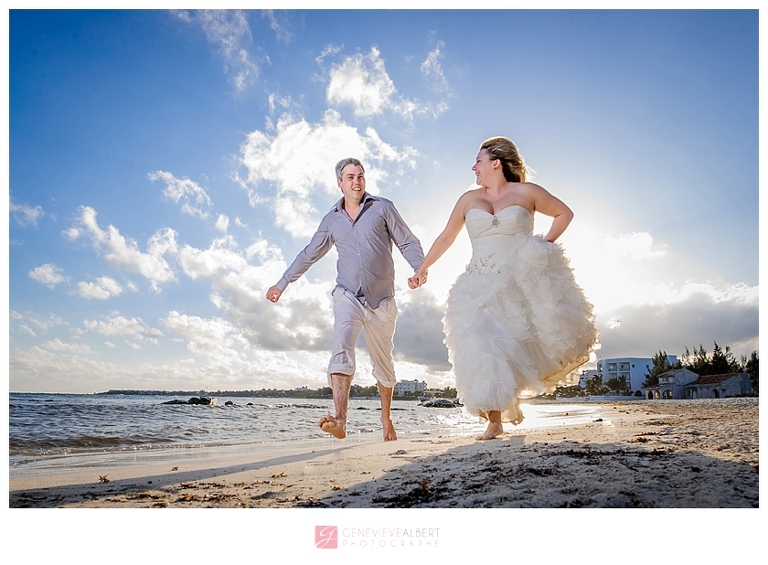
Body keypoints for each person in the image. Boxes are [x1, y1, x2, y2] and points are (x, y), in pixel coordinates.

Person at [409, 136, 598, 440]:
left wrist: (542, 246)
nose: (474, 167)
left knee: (510, 346)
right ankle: (494, 419)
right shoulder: (468, 200)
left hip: (516, 279)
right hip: (476, 283)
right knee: (481, 344)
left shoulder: (527, 192)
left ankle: (506, 405)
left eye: (479, 161)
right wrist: (422, 268)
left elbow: (565, 213)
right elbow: (446, 237)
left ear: (495, 163)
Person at [266, 158, 425, 441]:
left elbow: (407, 241)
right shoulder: (332, 221)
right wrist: (282, 283)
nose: (356, 181)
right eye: (350, 177)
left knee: (384, 363)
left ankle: (386, 418)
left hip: (382, 300)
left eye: (360, 176)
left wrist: (419, 269)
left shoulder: (382, 208)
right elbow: (309, 254)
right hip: (347, 295)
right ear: (340, 183)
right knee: (341, 346)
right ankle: (340, 419)